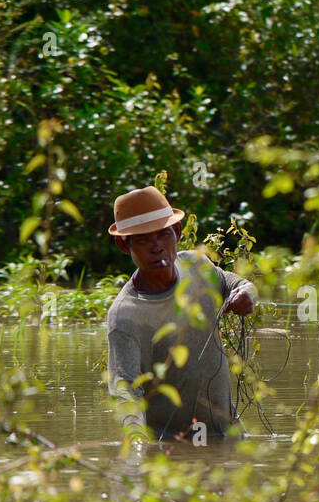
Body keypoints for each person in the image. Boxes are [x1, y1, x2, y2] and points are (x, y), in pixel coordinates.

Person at [105, 186, 257, 440]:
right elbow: (126, 393)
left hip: (228, 436)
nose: (156, 247)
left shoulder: (197, 265)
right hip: (175, 450)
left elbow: (237, 284)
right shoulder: (125, 316)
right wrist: (137, 447)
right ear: (124, 245)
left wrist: (248, 294)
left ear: (176, 232)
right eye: (143, 239)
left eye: (163, 235)